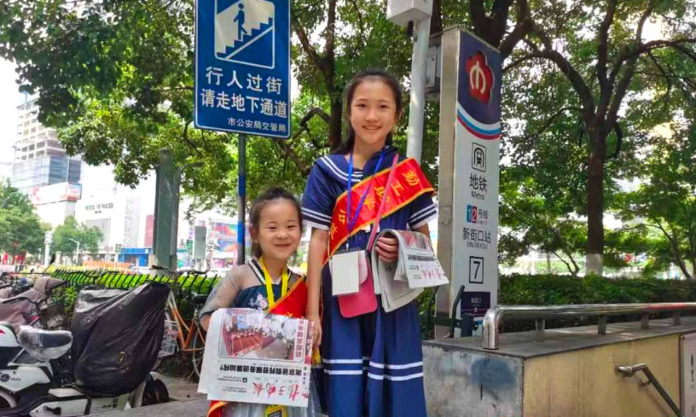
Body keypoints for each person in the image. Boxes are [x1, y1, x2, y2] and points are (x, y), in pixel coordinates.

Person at [301, 69, 437, 417]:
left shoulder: (408, 172)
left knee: (396, 391)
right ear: (349, 112)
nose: (372, 116)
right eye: (362, 105)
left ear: (397, 115)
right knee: (346, 388)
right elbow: (317, 240)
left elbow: (425, 242)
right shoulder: (327, 170)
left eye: (383, 106)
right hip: (343, 298)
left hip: (393, 298)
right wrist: (312, 313)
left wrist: (403, 247)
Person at [199, 187, 311, 417]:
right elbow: (207, 319)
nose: (282, 234)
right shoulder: (239, 276)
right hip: (246, 391)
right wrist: (253, 332)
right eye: (272, 227)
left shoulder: (300, 284)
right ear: (255, 233)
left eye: (291, 226)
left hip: (286, 389)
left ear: (300, 231)